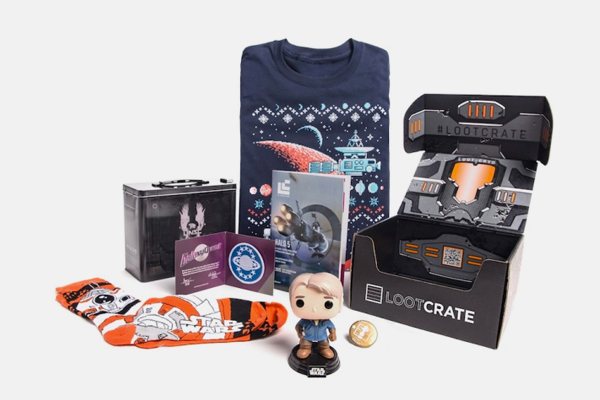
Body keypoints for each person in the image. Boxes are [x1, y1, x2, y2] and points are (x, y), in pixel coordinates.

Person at [289, 272, 343, 359]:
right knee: (305, 343)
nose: (314, 309)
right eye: (300, 302)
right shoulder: (305, 321)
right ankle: (305, 348)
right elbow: (298, 326)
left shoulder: (326, 322)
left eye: (328, 304)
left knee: (324, 344)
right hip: (307, 337)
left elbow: (332, 328)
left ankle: (324, 349)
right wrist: (299, 332)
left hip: (322, 337)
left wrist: (333, 333)